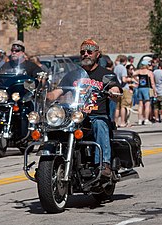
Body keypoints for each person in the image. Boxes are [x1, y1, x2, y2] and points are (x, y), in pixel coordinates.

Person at [46, 39, 122, 177]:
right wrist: (45, 94)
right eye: (83, 52)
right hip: (76, 116)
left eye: (89, 52)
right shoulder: (72, 75)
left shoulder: (105, 74)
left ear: (97, 54)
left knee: (100, 124)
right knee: (55, 126)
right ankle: (53, 161)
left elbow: (115, 88)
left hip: (96, 115)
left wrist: (114, 92)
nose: (86, 54)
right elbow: (57, 92)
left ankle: (104, 164)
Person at [132, 60, 156, 125]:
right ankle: (146, 119)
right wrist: (154, 91)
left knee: (140, 104)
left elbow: (133, 74)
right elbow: (152, 83)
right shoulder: (149, 72)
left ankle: (140, 119)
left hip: (140, 88)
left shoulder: (139, 71)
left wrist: (136, 80)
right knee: (147, 104)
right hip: (147, 88)